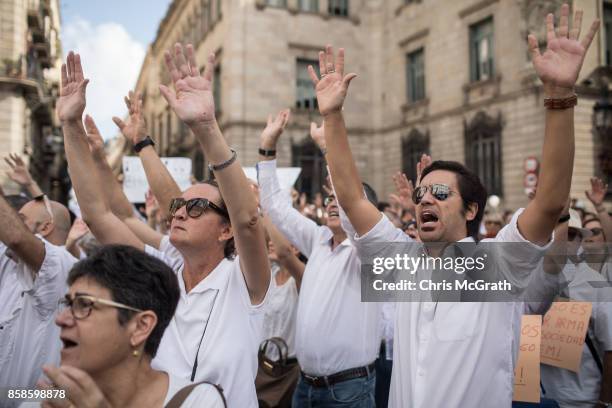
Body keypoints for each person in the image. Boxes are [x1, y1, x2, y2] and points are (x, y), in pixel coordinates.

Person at [311, 4, 599, 407]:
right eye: (421, 194)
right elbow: (352, 197)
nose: (426, 198)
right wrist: (333, 117)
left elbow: (550, 202)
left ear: (470, 210)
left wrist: (559, 96)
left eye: (441, 193)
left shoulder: (500, 265)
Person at [56, 45, 270, 408]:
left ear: (225, 231)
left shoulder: (245, 281)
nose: (180, 213)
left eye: (198, 206)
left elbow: (249, 220)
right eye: (178, 206)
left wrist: (206, 128)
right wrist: (70, 125)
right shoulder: (163, 269)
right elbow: (99, 214)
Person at [258, 111, 380, 407]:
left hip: (348, 391)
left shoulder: (368, 254)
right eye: (330, 199)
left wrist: (329, 149)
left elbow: (352, 205)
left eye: (343, 199)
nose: (333, 203)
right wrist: (267, 148)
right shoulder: (318, 239)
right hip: (305, 386)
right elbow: (275, 206)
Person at [20, 245, 225, 407]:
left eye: (84, 305)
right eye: (68, 304)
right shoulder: (48, 398)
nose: (61, 319)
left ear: (140, 327)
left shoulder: (198, 401)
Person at [0, 182, 76, 406]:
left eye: (21, 219)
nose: (11, 223)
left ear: (45, 228)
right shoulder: (9, 260)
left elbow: (16, 237)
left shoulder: (65, 265)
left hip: (31, 400)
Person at [538, 210, 612, 408]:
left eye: (569, 235)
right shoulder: (528, 281)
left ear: (580, 241)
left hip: (582, 400)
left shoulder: (597, 285)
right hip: (538, 396)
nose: (561, 239)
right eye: (554, 232)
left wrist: (605, 401)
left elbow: (610, 348)